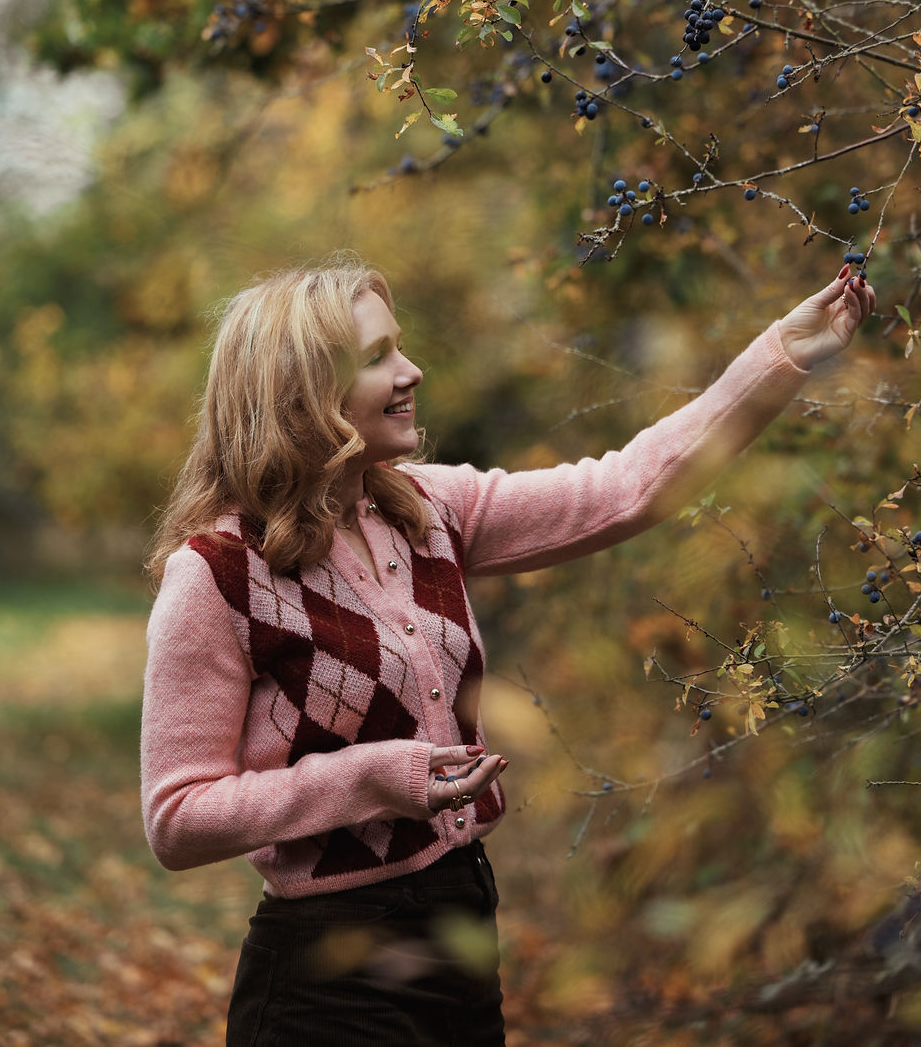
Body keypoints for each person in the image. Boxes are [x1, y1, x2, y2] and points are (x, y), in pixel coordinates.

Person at [140, 255, 875, 1046]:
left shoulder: (429, 509)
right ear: (303, 393)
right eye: (377, 355)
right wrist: (376, 778)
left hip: (462, 933)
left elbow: (627, 487)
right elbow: (178, 817)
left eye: (401, 346)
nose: (410, 370)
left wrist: (781, 354)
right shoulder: (216, 573)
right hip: (327, 979)